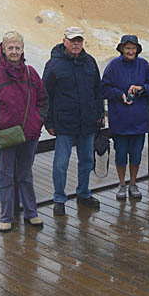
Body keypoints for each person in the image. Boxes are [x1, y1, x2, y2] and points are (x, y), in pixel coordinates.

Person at [0, 31, 46, 230]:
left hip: (28, 135)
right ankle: (7, 217)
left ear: (23, 49)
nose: (14, 51)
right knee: (6, 177)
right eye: (11, 48)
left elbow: (43, 100)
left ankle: (31, 213)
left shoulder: (31, 73)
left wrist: (37, 121)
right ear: (3, 49)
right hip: (4, 137)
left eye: (17, 48)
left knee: (25, 175)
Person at [41, 26, 104, 215]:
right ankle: (59, 198)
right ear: (64, 41)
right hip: (64, 123)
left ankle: (83, 193)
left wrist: (99, 115)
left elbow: (97, 91)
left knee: (86, 160)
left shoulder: (90, 62)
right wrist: (49, 123)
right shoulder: (53, 65)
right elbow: (45, 96)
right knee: (61, 164)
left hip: (87, 121)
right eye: (72, 40)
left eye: (79, 40)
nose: (76, 43)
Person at [102, 34, 149, 201]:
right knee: (121, 155)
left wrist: (141, 89)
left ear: (137, 49)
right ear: (121, 49)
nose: (130, 51)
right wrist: (120, 95)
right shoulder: (113, 66)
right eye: (127, 48)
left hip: (139, 119)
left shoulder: (144, 65)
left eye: (133, 48)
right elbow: (104, 88)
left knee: (136, 154)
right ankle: (122, 184)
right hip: (120, 119)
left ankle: (133, 183)